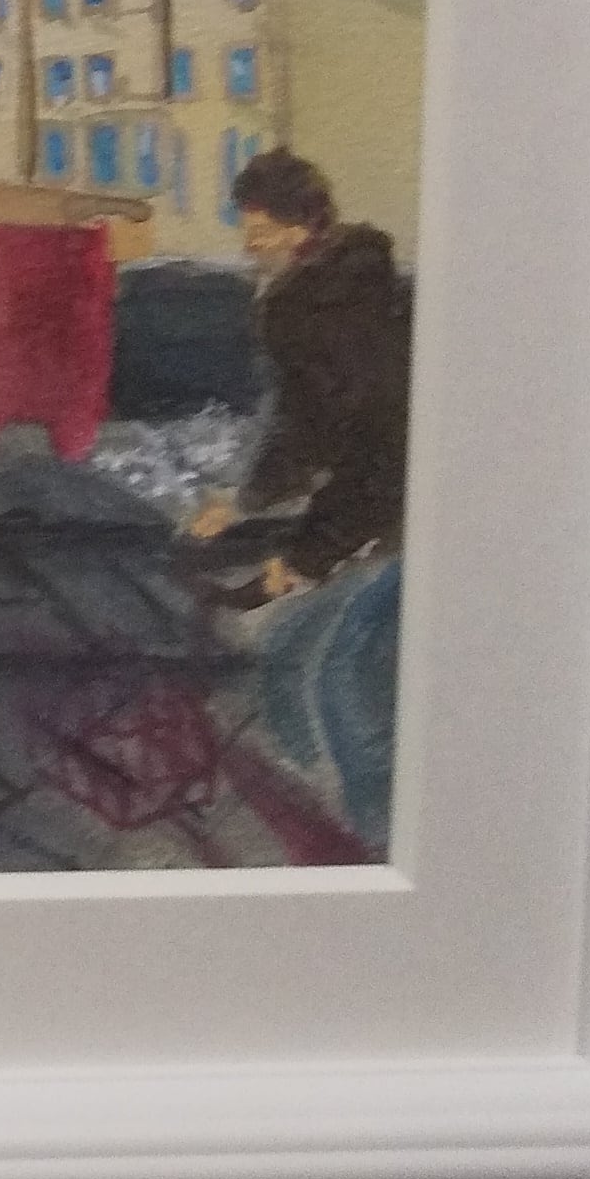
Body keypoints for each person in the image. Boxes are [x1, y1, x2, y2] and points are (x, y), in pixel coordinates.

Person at [190, 148, 413, 836]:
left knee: (340, 681)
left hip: (402, 517)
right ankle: (329, 824)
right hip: (376, 510)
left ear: (299, 228)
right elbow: (307, 434)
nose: (249, 245)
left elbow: (369, 455)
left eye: (259, 231)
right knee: (288, 659)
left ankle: (378, 836)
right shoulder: (346, 297)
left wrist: (304, 559)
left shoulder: (317, 317)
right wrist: (246, 502)